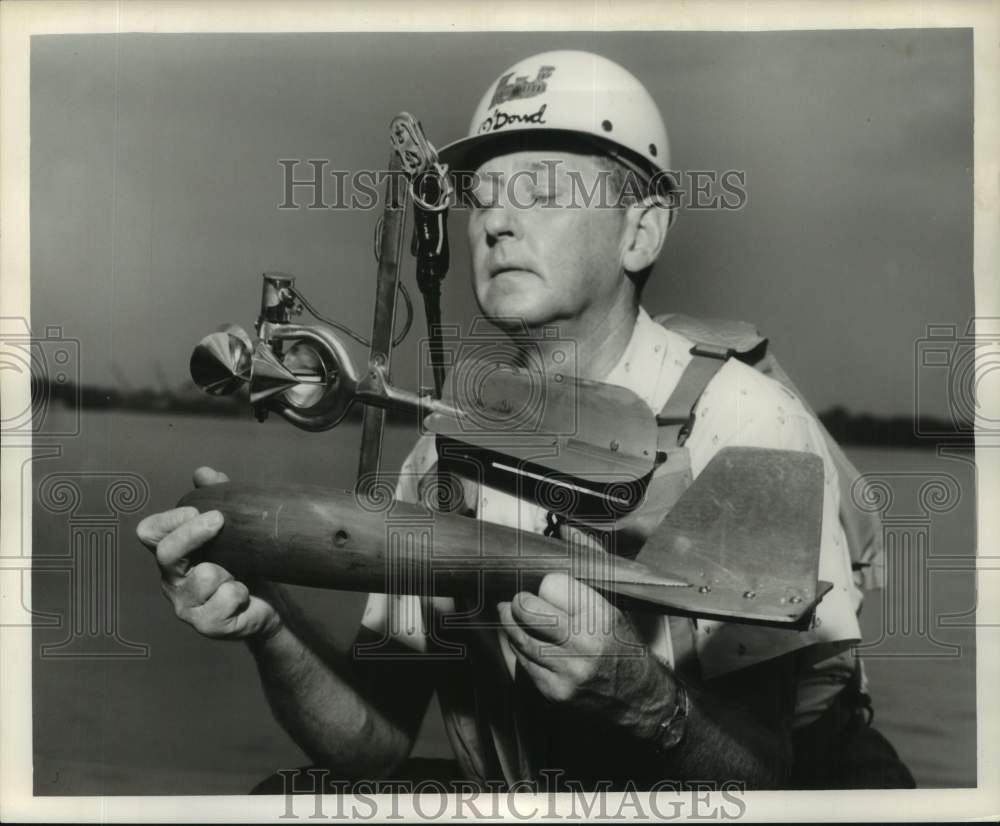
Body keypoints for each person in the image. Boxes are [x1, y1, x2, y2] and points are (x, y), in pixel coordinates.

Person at [136, 50, 913, 790]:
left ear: (640, 230)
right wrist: (270, 622)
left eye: (541, 192)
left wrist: (648, 701)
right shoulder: (448, 453)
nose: (495, 224)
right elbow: (372, 744)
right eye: (482, 199)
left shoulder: (743, 422)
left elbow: (774, 778)